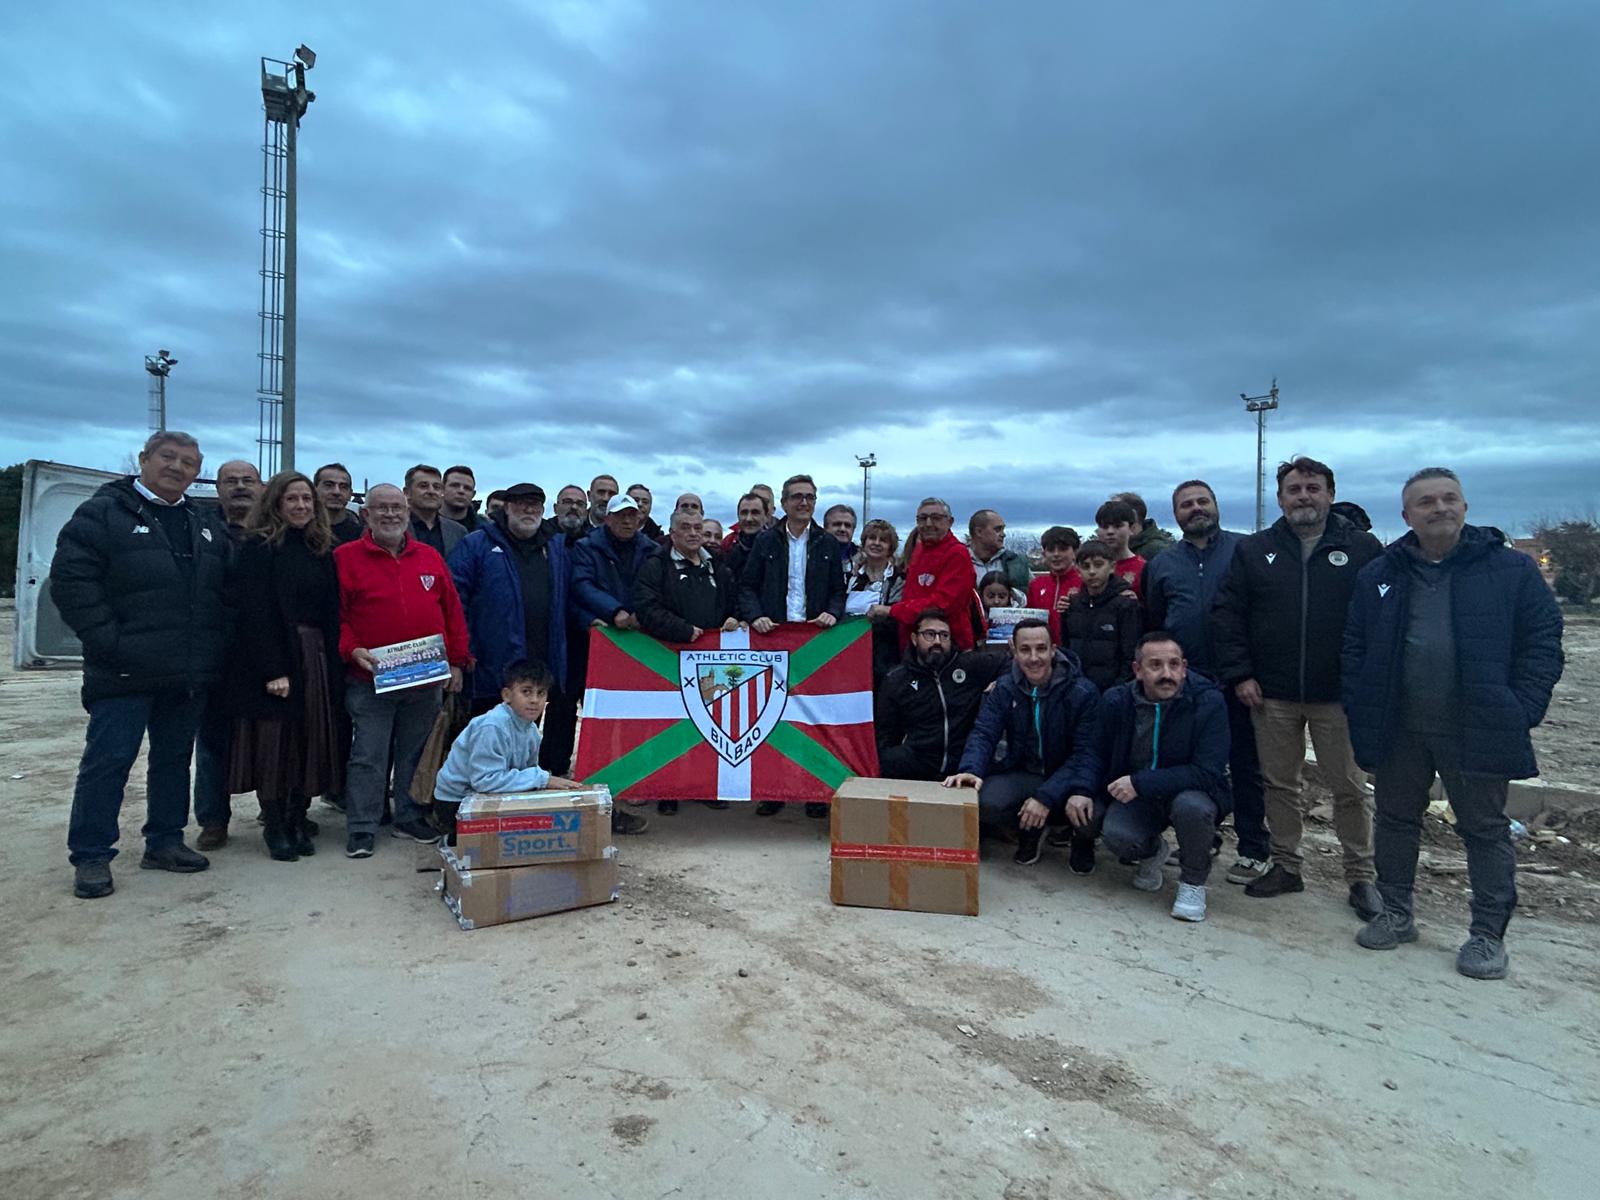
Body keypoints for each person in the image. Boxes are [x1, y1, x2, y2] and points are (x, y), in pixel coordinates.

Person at [1345, 468, 1564, 980]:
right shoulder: (1382, 573)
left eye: (1449, 499)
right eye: (1426, 502)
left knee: (1484, 829)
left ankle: (1487, 936)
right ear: (1407, 516)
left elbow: (1542, 641)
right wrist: (1361, 703)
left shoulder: (1510, 570)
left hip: (1478, 725)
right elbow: (1355, 646)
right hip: (1400, 726)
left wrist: (1522, 706)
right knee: (1396, 821)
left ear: (1465, 507)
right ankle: (1397, 914)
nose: (1438, 508)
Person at [51, 431, 232, 898]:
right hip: (124, 671)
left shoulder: (202, 521)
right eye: (167, 458)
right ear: (144, 459)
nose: (177, 467)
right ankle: (91, 855)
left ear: (197, 472)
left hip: (185, 670)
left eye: (188, 463)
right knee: (108, 761)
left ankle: (165, 841)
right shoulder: (103, 513)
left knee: (173, 760)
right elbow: (71, 582)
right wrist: (109, 641)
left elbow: (222, 594)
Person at [1211, 455, 1385, 919]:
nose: (1303, 496)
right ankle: (1286, 865)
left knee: (1349, 787)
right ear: (1281, 498)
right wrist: (1241, 673)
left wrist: (1365, 680)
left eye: (1313, 488)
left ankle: (1361, 876)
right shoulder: (1255, 550)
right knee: (1278, 784)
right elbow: (1230, 616)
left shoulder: (1364, 548)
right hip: (1272, 692)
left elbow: (1380, 620)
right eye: (1294, 489)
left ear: (1329, 493)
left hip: (1338, 695)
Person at [334, 483, 470, 858]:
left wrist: (457, 661)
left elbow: (452, 612)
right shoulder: (345, 558)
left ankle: (409, 816)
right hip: (370, 677)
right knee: (368, 755)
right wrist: (351, 649)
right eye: (382, 508)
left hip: (425, 676)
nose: (390, 514)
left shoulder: (429, 557)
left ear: (408, 513)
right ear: (366, 514)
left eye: (397, 508)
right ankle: (362, 826)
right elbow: (338, 616)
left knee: (415, 752)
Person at [1143, 480, 1267, 885]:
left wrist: (1248, 669)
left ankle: (1253, 848)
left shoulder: (1245, 550)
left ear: (1216, 505)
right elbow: (1157, 621)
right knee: (1190, 765)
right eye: (1185, 504)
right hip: (1184, 683)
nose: (1195, 509)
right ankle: (1202, 838)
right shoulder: (1162, 563)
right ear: (1175, 514)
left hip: (1240, 679)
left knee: (1246, 764)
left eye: (1202, 501)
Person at [225, 471, 343, 862]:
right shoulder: (258, 548)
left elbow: (331, 611)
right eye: (292, 499)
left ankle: (298, 817)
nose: (301, 506)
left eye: (307, 500)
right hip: (274, 656)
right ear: (276, 503)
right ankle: (274, 825)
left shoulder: (320, 547)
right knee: (275, 746)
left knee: (311, 740)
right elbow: (254, 613)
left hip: (315, 655)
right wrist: (273, 670)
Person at [1079, 633, 1231, 920]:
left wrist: (1140, 782)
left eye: (1174, 665)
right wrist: (1082, 789)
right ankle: (1151, 852)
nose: (1167, 674)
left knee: (1193, 809)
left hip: (1187, 790)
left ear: (1184, 667)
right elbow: (1094, 752)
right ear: (1137, 670)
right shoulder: (1117, 701)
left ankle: (1192, 883)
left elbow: (1207, 772)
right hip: (1137, 795)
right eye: (1156, 666)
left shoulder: (1208, 701)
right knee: (1115, 834)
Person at [943, 618, 1101, 866]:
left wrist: (1045, 797)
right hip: (1026, 772)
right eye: (1025, 650)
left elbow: (1084, 754)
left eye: (1041, 648)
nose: (1034, 657)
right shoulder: (1004, 688)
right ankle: (1031, 828)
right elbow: (984, 732)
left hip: (1069, 774)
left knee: (1090, 812)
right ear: (1013, 651)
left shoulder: (1082, 692)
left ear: (1053, 649)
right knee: (984, 801)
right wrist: (971, 769)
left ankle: (1081, 839)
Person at [736, 474, 846, 819]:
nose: (804, 503)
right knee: (773, 717)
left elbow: (838, 591)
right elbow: (747, 587)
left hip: (814, 643)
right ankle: (774, 790)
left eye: (810, 497)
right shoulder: (766, 541)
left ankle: (814, 791)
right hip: (774, 640)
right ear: (783, 503)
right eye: (797, 497)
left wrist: (833, 612)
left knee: (812, 721)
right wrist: (755, 617)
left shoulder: (827, 543)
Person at [635, 509, 742, 815]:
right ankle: (667, 791)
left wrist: (733, 618)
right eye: (686, 528)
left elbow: (732, 602)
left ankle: (705, 787)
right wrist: (681, 630)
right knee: (671, 729)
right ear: (672, 533)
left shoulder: (717, 566)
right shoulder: (655, 566)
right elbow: (646, 607)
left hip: (710, 661)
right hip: (669, 659)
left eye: (698, 527)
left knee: (708, 725)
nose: (694, 533)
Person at [447, 484, 570, 740]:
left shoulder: (555, 548)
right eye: (521, 504)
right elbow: (454, 600)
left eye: (535, 505)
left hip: (538, 664)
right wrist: (462, 652)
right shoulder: (476, 543)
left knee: (525, 739)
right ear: (507, 508)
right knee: (485, 741)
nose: (528, 510)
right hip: (489, 666)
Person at [191, 458, 263, 848]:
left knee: (271, 736)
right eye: (231, 481)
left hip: (266, 652)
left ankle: (276, 809)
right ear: (217, 487)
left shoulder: (277, 531)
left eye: (248, 480)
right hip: (215, 653)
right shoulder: (199, 528)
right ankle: (213, 819)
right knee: (213, 741)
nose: (240, 487)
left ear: (261, 487)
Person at [876, 608, 1005, 781]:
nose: (937, 641)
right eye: (929, 634)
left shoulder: (969, 665)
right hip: (914, 772)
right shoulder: (896, 679)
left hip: (963, 768)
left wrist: (1002, 682)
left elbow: (1010, 662)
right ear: (914, 639)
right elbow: (885, 736)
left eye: (944, 635)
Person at [434, 660, 555, 840]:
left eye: (541, 693)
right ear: (507, 695)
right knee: (505, 842)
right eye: (526, 692)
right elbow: (484, 781)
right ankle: (453, 836)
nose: (534, 700)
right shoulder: (492, 726)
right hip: (457, 801)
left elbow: (527, 775)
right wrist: (542, 779)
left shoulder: (531, 731)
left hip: (489, 794)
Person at [870, 497, 979, 652]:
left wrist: (892, 610)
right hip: (914, 646)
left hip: (946, 648)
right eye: (922, 518)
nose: (928, 523)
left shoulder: (957, 554)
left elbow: (943, 605)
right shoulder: (920, 551)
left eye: (936, 518)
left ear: (950, 522)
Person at [541, 484, 592, 775]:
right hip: (548, 634)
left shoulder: (593, 541)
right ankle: (538, 769)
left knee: (577, 708)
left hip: (584, 637)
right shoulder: (542, 538)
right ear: (556, 506)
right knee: (543, 705)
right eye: (567, 502)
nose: (573, 508)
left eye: (578, 504)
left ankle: (569, 769)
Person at [571, 494, 660, 632]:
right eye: (620, 515)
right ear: (608, 519)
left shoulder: (652, 550)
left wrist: (643, 613)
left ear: (638, 519)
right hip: (602, 627)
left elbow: (658, 588)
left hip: (643, 628)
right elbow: (582, 585)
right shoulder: (586, 547)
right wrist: (614, 610)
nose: (627, 521)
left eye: (631, 515)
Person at [1063, 539, 1142, 692]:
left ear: (1112, 567)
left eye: (1098, 565)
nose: (1092, 571)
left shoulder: (1126, 605)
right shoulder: (1071, 606)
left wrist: (1119, 688)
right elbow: (1067, 649)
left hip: (1115, 691)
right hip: (1078, 689)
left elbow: (1130, 654)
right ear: (1078, 570)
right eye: (1085, 566)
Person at [845, 518, 905, 683]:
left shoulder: (898, 579)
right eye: (872, 538)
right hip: (848, 652)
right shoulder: (850, 578)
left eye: (883, 540)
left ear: (890, 548)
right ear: (864, 543)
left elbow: (897, 615)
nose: (876, 543)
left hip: (884, 656)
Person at [1026, 526, 1083, 644]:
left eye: (1062, 549)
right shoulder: (1036, 585)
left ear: (1075, 553)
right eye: (1051, 550)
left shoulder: (1085, 583)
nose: (1056, 554)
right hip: (1041, 651)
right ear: (1044, 554)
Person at [404, 464, 467, 559]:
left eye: (437, 487)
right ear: (407, 493)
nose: (431, 491)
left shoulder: (458, 531)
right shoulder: (395, 527)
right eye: (423, 486)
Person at [968, 509, 1031, 595]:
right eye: (997, 529)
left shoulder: (1015, 562)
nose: (1003, 534)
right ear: (979, 532)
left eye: (1003, 529)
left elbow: (1033, 593)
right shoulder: (957, 561)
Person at [1094, 499, 1145, 598]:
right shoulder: (1089, 567)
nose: (1110, 531)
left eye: (1117, 526)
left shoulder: (1144, 569)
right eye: (1104, 526)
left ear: (1132, 528)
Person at [721, 492, 770, 582]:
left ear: (766, 516)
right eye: (744, 513)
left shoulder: (779, 549)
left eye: (755, 513)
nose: (749, 519)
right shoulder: (730, 554)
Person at [1113, 492, 1176, 561]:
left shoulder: (1158, 552)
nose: (1108, 516)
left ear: (1133, 516)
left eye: (1114, 512)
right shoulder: (1113, 549)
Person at [315, 462, 365, 546]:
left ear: (350, 494)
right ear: (314, 490)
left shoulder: (361, 537)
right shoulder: (300, 531)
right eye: (329, 485)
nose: (336, 492)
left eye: (343, 487)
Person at [441, 465, 485, 533]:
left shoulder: (486, 529)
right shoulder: (424, 523)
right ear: (442, 489)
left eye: (467, 488)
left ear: (473, 494)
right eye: (455, 485)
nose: (461, 491)